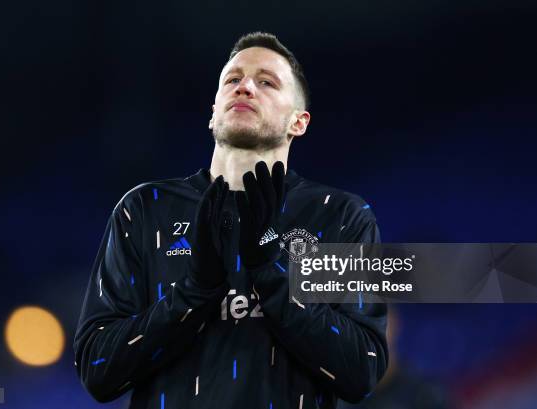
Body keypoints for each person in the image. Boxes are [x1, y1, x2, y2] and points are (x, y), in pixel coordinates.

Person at [73, 31, 388, 409]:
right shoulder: (145, 209)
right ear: (213, 111)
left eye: (266, 82)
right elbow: (98, 370)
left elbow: (360, 373)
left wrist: (271, 276)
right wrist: (194, 291)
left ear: (298, 122)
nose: (245, 88)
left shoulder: (338, 216)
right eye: (232, 79)